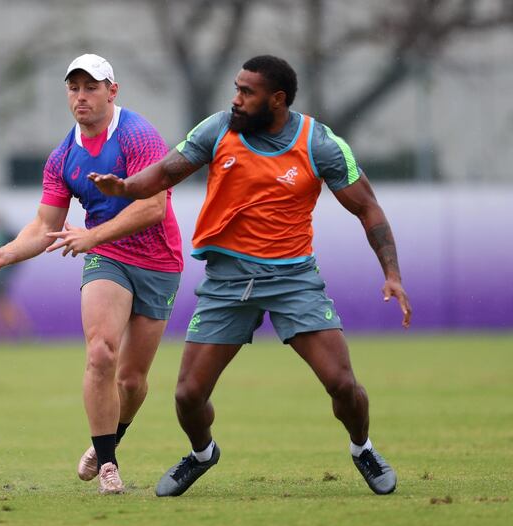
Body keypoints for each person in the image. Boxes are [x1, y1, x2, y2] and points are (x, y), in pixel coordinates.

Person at [91, 55, 412, 497]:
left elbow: (367, 207)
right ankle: (203, 453)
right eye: (236, 89)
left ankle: (363, 448)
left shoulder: (318, 143)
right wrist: (126, 187)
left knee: (342, 384)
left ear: (277, 100)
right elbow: (168, 171)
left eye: (247, 93)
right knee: (187, 396)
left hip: (293, 280)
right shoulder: (218, 128)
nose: (236, 100)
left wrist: (391, 273)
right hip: (228, 282)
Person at [0, 53, 183, 494]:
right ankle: (108, 465)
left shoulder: (139, 135)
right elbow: (45, 226)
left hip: (159, 261)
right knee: (101, 353)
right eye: (73, 88)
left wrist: (94, 234)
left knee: (132, 382)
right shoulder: (63, 156)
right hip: (106, 258)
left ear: (112, 91)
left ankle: (109, 437)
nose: (81, 97)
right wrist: (5, 254)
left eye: (91, 87)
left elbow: (153, 206)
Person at [0, 211, 32, 339]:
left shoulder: (6, 234)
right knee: (1, 304)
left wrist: (11, 267)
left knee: (3, 304)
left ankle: (19, 330)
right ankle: (4, 332)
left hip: (1, 276)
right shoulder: (2, 234)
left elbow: (21, 248)